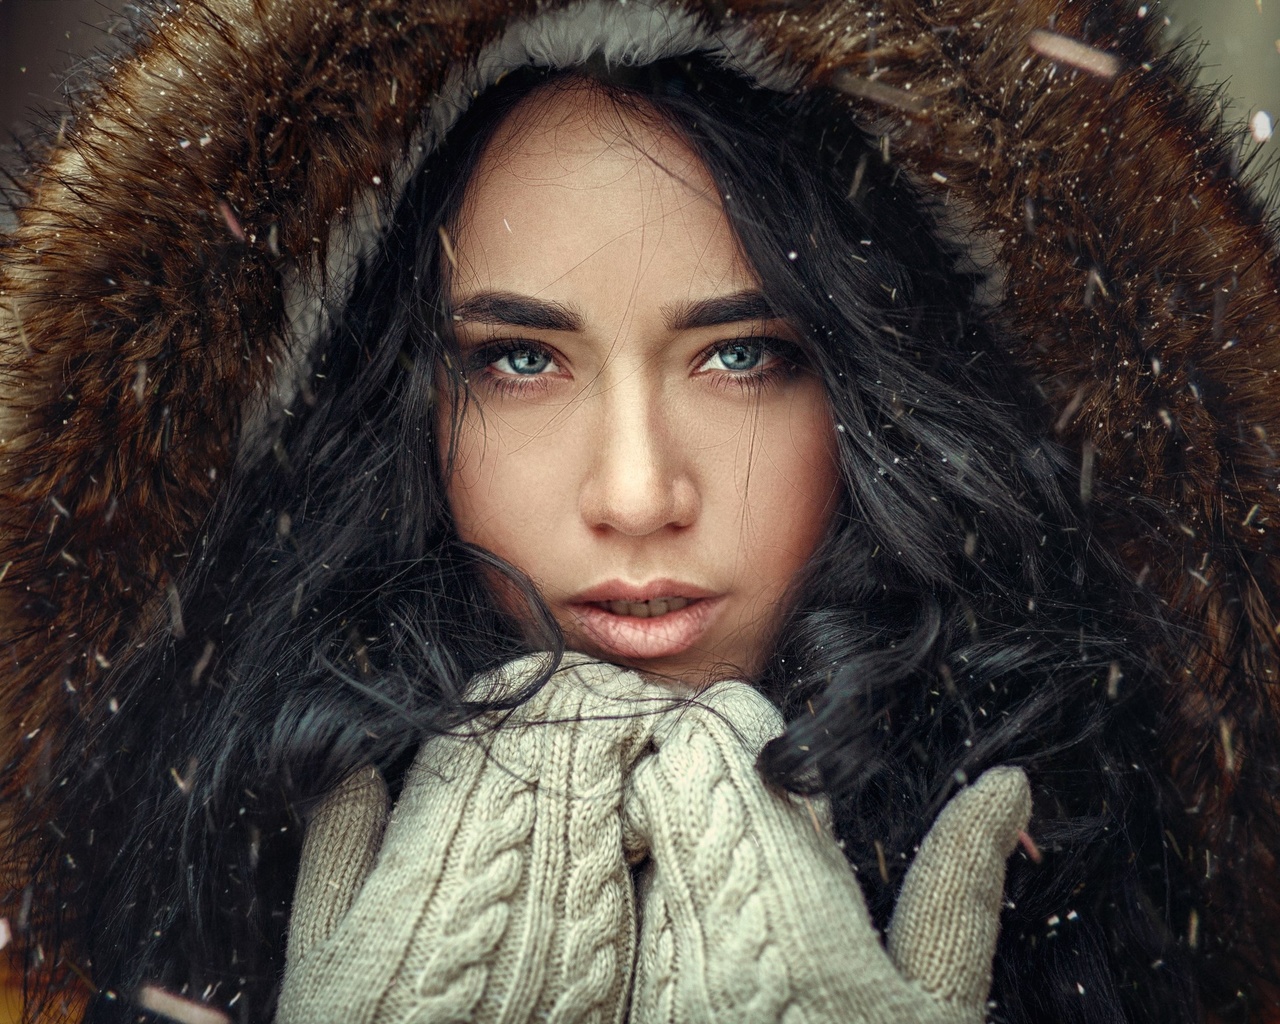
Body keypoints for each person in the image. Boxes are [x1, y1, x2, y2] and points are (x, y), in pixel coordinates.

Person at [2, 1, 1279, 1022]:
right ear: (378, 404)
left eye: (743, 356)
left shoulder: (1114, 878)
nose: (634, 494)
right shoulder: (163, 894)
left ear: (888, 387)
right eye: (517, 357)